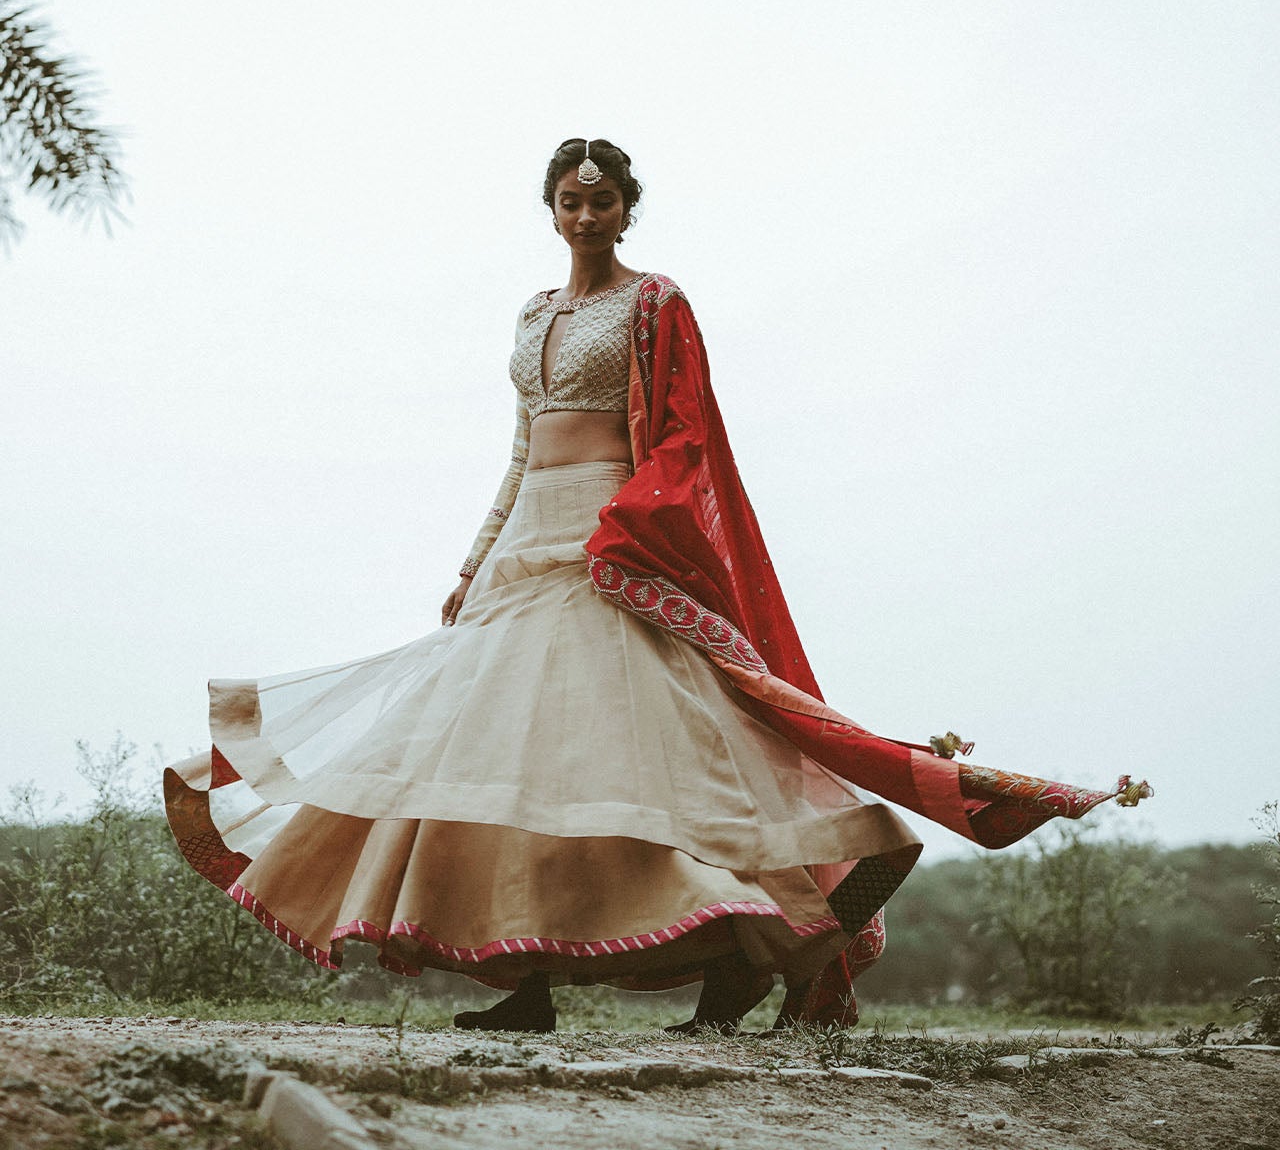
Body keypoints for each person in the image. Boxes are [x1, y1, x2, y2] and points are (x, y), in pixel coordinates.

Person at [164, 136, 1150, 1034]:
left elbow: (682, 434)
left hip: (615, 544)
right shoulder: (533, 314)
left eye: (602, 200)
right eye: (569, 200)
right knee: (513, 762)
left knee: (655, 756)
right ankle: (527, 983)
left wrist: (629, 525)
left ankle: (765, 944)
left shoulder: (655, 302)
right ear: (549, 209)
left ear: (627, 209)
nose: (585, 214)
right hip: (526, 549)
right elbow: (519, 449)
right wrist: (474, 562)